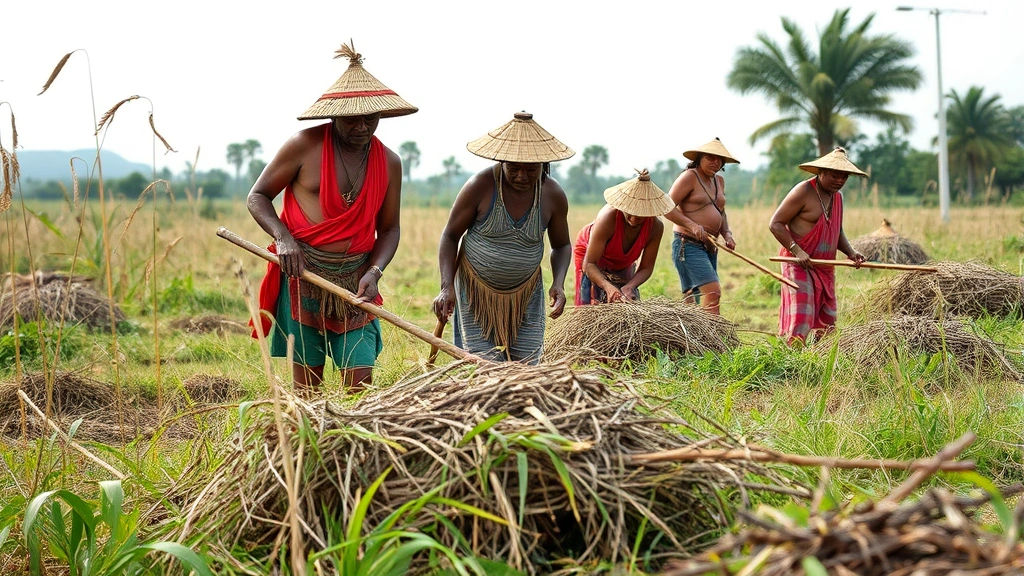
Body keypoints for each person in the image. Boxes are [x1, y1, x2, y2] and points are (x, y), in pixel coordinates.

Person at [247, 41, 416, 393]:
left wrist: (374, 272)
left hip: (356, 281)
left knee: (359, 384)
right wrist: (283, 239)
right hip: (303, 273)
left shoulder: (390, 162)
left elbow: (389, 229)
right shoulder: (303, 146)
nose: (362, 127)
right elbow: (257, 196)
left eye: (370, 119)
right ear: (334, 115)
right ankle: (308, 430)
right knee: (307, 388)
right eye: (352, 119)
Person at [432, 112, 574, 363]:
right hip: (476, 293)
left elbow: (561, 245)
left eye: (531, 169)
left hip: (526, 296)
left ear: (543, 164)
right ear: (501, 161)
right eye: (514, 168)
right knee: (485, 367)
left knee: (526, 368)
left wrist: (559, 284)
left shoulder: (552, 195)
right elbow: (450, 235)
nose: (522, 176)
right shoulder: (480, 186)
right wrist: (446, 287)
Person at [769, 147, 867, 344]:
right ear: (821, 172)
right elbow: (776, 224)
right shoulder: (803, 191)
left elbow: (836, 230)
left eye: (844, 177)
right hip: (799, 263)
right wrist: (797, 251)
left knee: (827, 319)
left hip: (824, 267)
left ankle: (819, 358)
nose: (839, 180)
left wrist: (851, 252)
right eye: (834, 175)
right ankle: (792, 357)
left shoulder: (838, 197)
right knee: (802, 315)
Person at [573, 169, 674, 305]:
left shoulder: (655, 227)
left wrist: (630, 286)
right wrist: (608, 287)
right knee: (591, 303)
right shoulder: (608, 218)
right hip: (590, 256)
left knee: (624, 300)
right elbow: (589, 264)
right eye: (629, 212)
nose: (633, 219)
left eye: (640, 215)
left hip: (622, 261)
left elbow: (646, 267)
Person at [664, 138, 740, 315]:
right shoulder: (689, 177)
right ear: (699, 158)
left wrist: (727, 234)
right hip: (687, 244)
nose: (716, 162)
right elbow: (666, 207)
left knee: (695, 296)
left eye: (719, 159)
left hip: (710, 246)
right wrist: (692, 226)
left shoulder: (719, 181)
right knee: (712, 292)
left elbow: (721, 212)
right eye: (710, 157)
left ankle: (696, 331)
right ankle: (712, 331)